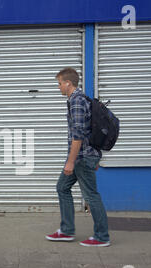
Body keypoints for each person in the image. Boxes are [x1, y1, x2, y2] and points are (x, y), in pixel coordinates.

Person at [46, 68, 110, 247]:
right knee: (62, 187)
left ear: (68, 83)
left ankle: (102, 236)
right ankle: (66, 231)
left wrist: (70, 162)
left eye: (59, 83)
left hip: (81, 158)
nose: (58, 87)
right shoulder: (78, 100)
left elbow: (78, 135)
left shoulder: (77, 102)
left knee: (91, 195)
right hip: (84, 157)